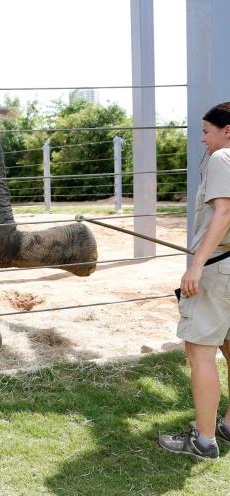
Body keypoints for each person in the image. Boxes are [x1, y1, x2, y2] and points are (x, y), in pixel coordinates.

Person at [158, 102, 230, 461]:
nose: (202, 139)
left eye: (206, 131)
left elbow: (225, 211)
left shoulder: (222, 159)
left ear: (227, 130)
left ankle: (204, 441)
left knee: (200, 352)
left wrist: (197, 264)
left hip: (218, 269)